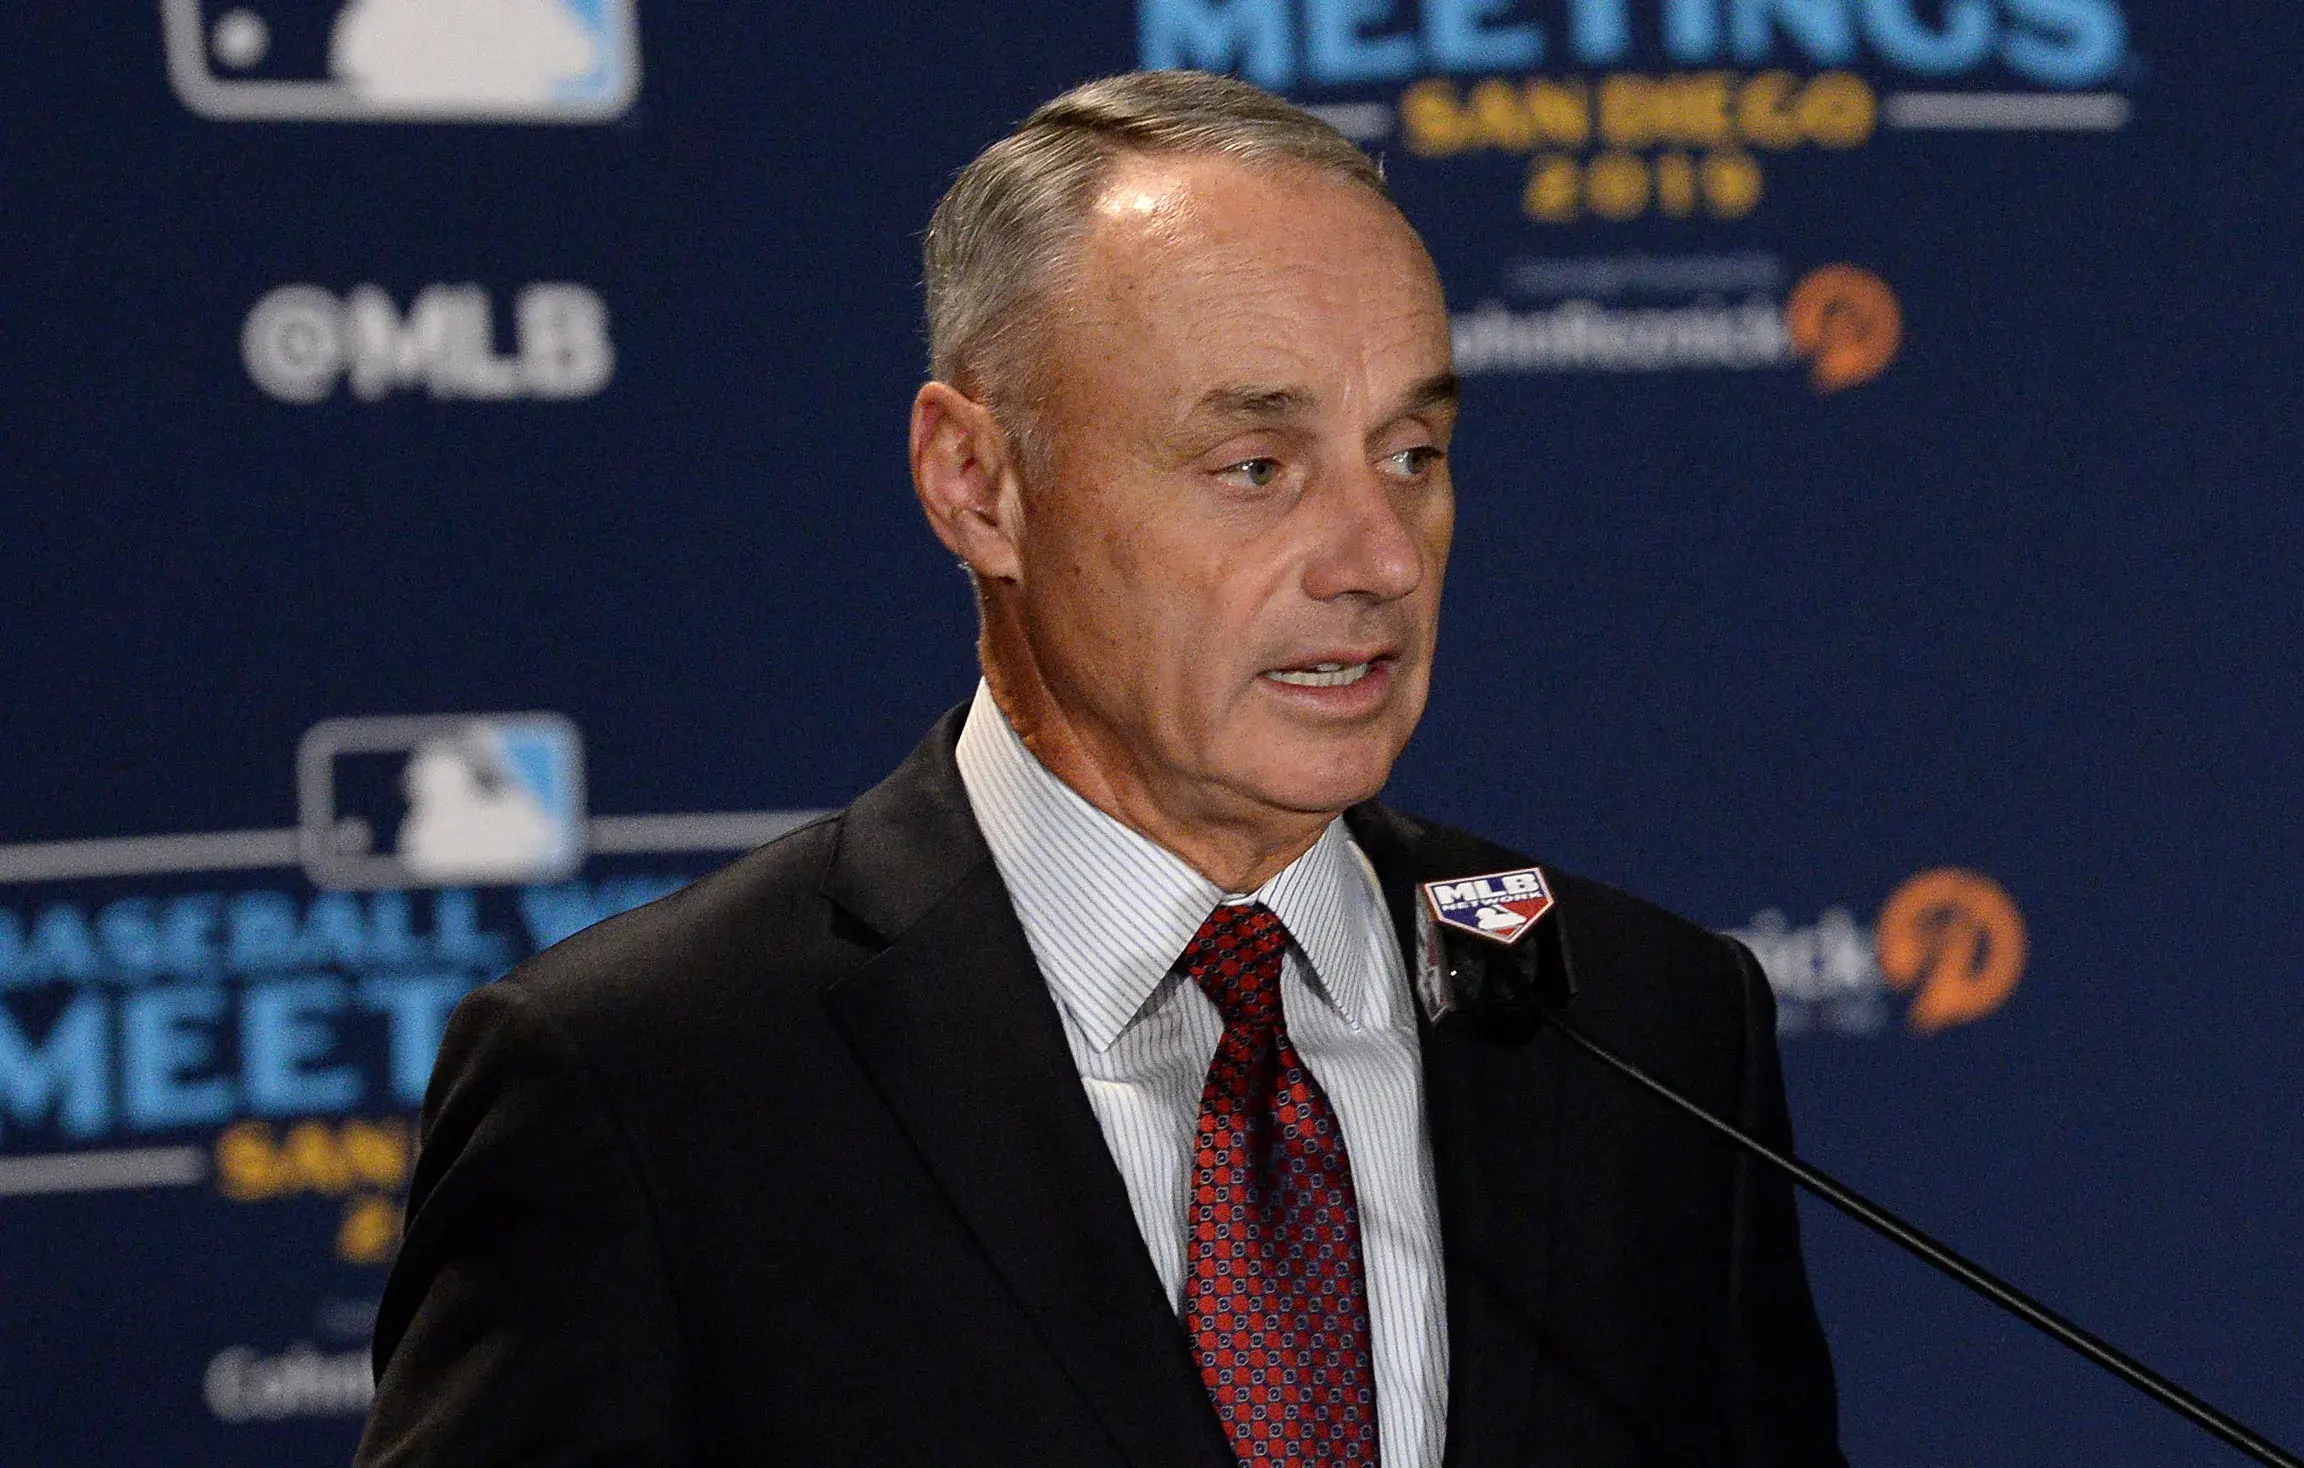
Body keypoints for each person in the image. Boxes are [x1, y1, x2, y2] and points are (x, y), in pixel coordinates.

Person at [358, 70, 1848, 1468]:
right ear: (978, 485)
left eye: (1410, 453)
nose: (1380, 559)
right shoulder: (652, 1083)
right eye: (1255, 467)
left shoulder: (1645, 1026)